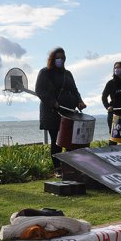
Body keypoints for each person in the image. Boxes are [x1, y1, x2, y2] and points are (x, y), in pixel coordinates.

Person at [35, 47, 87, 175]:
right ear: (53, 59)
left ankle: (68, 166)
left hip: (69, 111)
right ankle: (57, 168)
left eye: (62, 58)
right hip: (52, 112)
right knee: (57, 140)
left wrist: (79, 101)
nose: (60, 60)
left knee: (70, 141)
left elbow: (74, 90)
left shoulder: (67, 73)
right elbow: (39, 90)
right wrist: (53, 103)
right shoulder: (45, 72)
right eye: (58, 58)